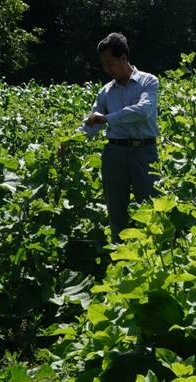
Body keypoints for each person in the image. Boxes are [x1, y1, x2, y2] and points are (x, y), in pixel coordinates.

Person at [66, 32, 159, 243]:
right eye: (104, 64)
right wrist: (71, 140)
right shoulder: (106, 92)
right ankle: (120, 258)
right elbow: (91, 124)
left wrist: (107, 119)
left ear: (124, 58)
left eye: (110, 63)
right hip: (114, 153)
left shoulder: (148, 81)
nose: (107, 68)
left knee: (151, 207)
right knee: (116, 210)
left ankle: (153, 260)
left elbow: (143, 111)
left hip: (144, 152)